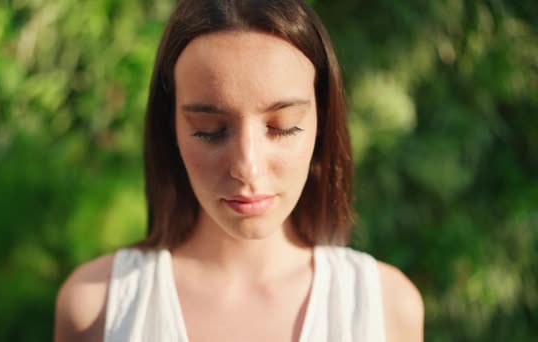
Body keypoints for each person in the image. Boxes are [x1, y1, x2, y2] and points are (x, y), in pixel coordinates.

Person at [54, 0, 424, 341]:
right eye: (209, 131)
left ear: (321, 121)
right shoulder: (98, 308)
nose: (248, 167)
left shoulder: (385, 309)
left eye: (282, 126)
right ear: (172, 130)